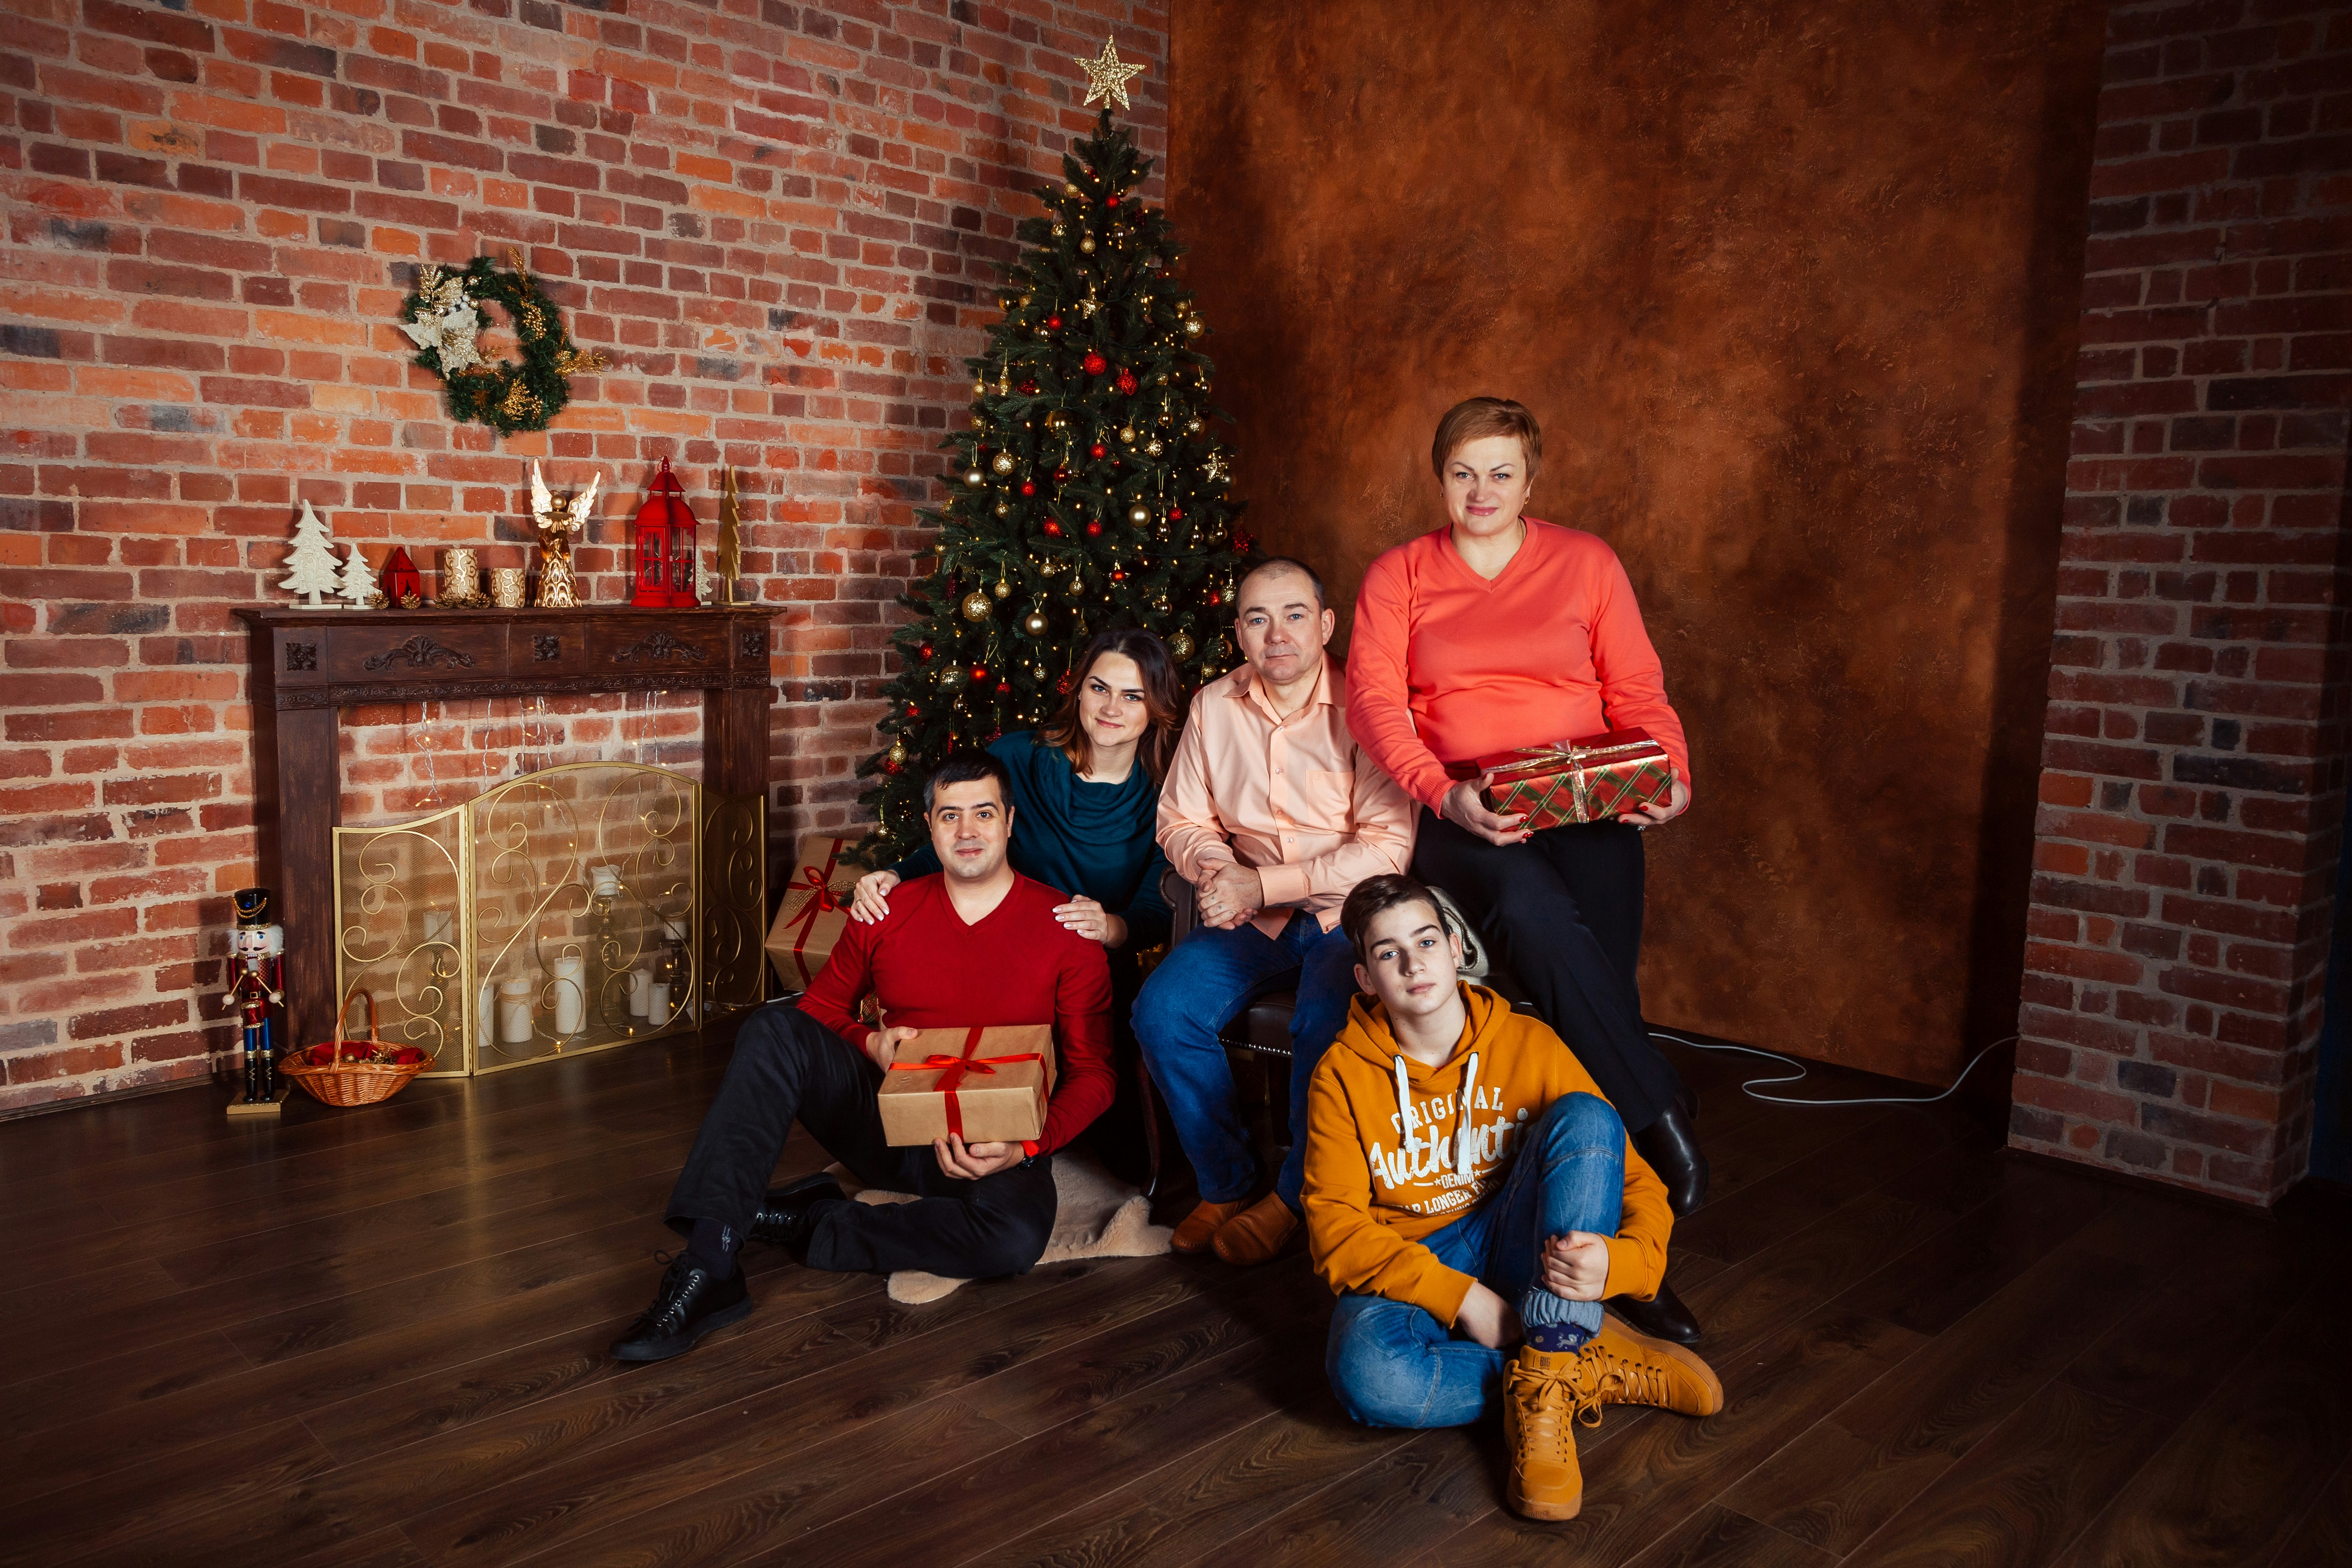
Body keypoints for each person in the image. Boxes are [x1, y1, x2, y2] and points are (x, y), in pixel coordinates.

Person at [1345, 395, 1708, 1343]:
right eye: (1464, 472)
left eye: (1501, 473)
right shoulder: (1400, 574)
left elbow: (1637, 689)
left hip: (1582, 794)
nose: (1482, 491)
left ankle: (1619, 1246)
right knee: (1531, 912)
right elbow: (1374, 704)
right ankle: (1658, 1123)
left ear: (1530, 481)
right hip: (1465, 806)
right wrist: (1442, 791)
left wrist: (1668, 772)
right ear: (1440, 477)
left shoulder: (1586, 563)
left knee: (1599, 991)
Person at [610, 751, 1114, 1362]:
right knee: (774, 1026)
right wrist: (868, 1041)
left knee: (1011, 1242)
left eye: (983, 813)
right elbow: (819, 1009)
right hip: (886, 1122)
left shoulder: (1065, 929)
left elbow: (1095, 1075)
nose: (967, 830)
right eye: (949, 816)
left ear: (1009, 822)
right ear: (929, 827)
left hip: (996, 1139)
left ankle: (810, 1223)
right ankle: (710, 1262)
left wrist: (1026, 1148)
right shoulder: (886, 912)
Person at [1304, 874, 1722, 1521]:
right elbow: (1334, 1228)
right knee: (1370, 1377)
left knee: (1587, 1115)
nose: (1413, 964)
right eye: (1389, 953)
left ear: (1455, 949)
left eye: (1426, 941)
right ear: (1365, 979)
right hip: (1419, 1259)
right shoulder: (1340, 1075)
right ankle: (1575, 1361)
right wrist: (1462, 1298)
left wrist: (1628, 1264)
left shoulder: (1529, 1042)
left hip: (1522, 1233)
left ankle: (1548, 1371)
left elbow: (1632, 1175)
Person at [1133, 557, 1416, 1265]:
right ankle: (1227, 1183)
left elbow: (1387, 849)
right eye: (1257, 619)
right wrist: (1218, 869)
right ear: (1239, 633)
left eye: (1294, 615)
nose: (1277, 634)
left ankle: (1293, 1198)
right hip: (1251, 921)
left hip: (1347, 920)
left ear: (1325, 624)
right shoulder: (1213, 706)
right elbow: (1179, 819)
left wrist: (1262, 885)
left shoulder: (1370, 706)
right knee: (1162, 1011)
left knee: (1324, 1021)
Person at [848, 626, 1181, 1185]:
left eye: (1133, 696)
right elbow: (965, 835)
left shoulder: (1169, 792)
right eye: (1100, 688)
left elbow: (1156, 907)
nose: (1111, 709)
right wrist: (895, 874)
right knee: (953, 1106)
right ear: (1078, 689)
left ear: (1157, 708)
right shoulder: (1018, 758)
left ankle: (1044, 1145)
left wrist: (1111, 926)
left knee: (1120, 1150)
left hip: (1090, 965)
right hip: (998, 953)